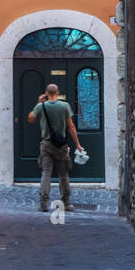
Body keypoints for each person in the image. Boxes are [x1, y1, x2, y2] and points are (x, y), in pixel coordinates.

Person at [28, 83, 85, 213]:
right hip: (61, 146)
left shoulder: (40, 106)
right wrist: (77, 144)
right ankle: (66, 203)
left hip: (46, 144)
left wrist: (39, 102)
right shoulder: (65, 106)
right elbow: (71, 126)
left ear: (46, 93)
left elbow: (30, 119)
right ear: (57, 93)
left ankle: (43, 203)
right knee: (63, 174)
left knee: (46, 174)